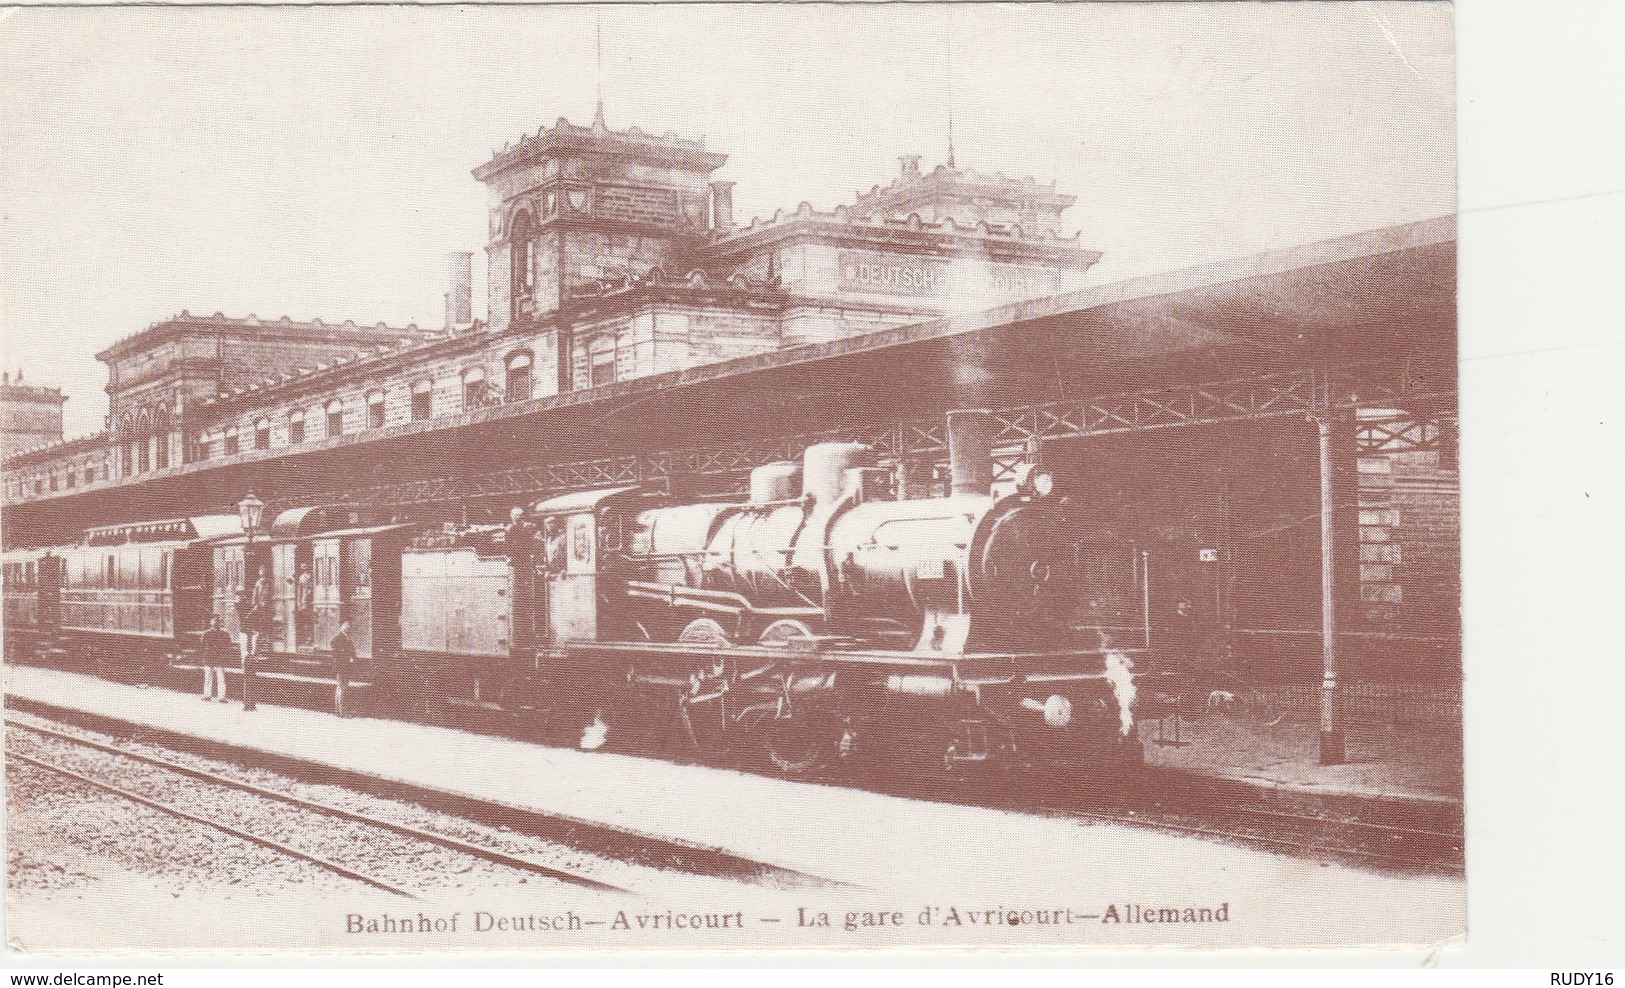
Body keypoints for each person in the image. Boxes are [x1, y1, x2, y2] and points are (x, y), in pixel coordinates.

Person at [199, 615, 235, 702]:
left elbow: (228, 646)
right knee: (208, 678)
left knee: (221, 678)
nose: (216, 623)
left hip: (219, 658)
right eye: (214, 621)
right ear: (211, 623)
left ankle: (221, 697)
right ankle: (207, 695)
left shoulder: (225, 634)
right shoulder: (206, 634)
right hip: (210, 658)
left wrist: (225, 655)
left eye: (218, 622)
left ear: (220, 623)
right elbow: (202, 647)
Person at [330, 621, 356, 718]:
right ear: (342, 626)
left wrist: (352, 657)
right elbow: (333, 644)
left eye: (349, 625)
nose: (348, 626)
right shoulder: (339, 637)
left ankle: (339, 711)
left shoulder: (346, 637)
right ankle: (342, 713)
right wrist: (345, 655)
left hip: (345, 666)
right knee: (342, 688)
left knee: (340, 688)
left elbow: (351, 650)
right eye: (346, 625)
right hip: (342, 667)